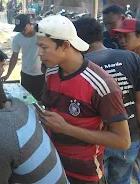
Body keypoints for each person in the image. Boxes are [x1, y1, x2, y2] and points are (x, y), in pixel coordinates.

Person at [37, 15, 131, 184]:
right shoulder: (50, 73)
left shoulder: (102, 85)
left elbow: (122, 141)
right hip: (53, 165)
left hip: (85, 175)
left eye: (44, 47)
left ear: (65, 45)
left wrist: (66, 128)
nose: (39, 53)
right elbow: (52, 115)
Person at [74, 18, 140, 184]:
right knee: (121, 180)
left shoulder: (79, 66)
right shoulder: (131, 58)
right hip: (130, 138)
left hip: (97, 139)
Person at [2, 14, 44, 101]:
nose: (22, 32)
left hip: (41, 75)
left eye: (24, 29)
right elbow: (14, 57)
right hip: (26, 75)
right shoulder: (17, 39)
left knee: (40, 101)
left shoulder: (40, 36)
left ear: (30, 24)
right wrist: (8, 74)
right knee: (26, 100)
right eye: (20, 30)